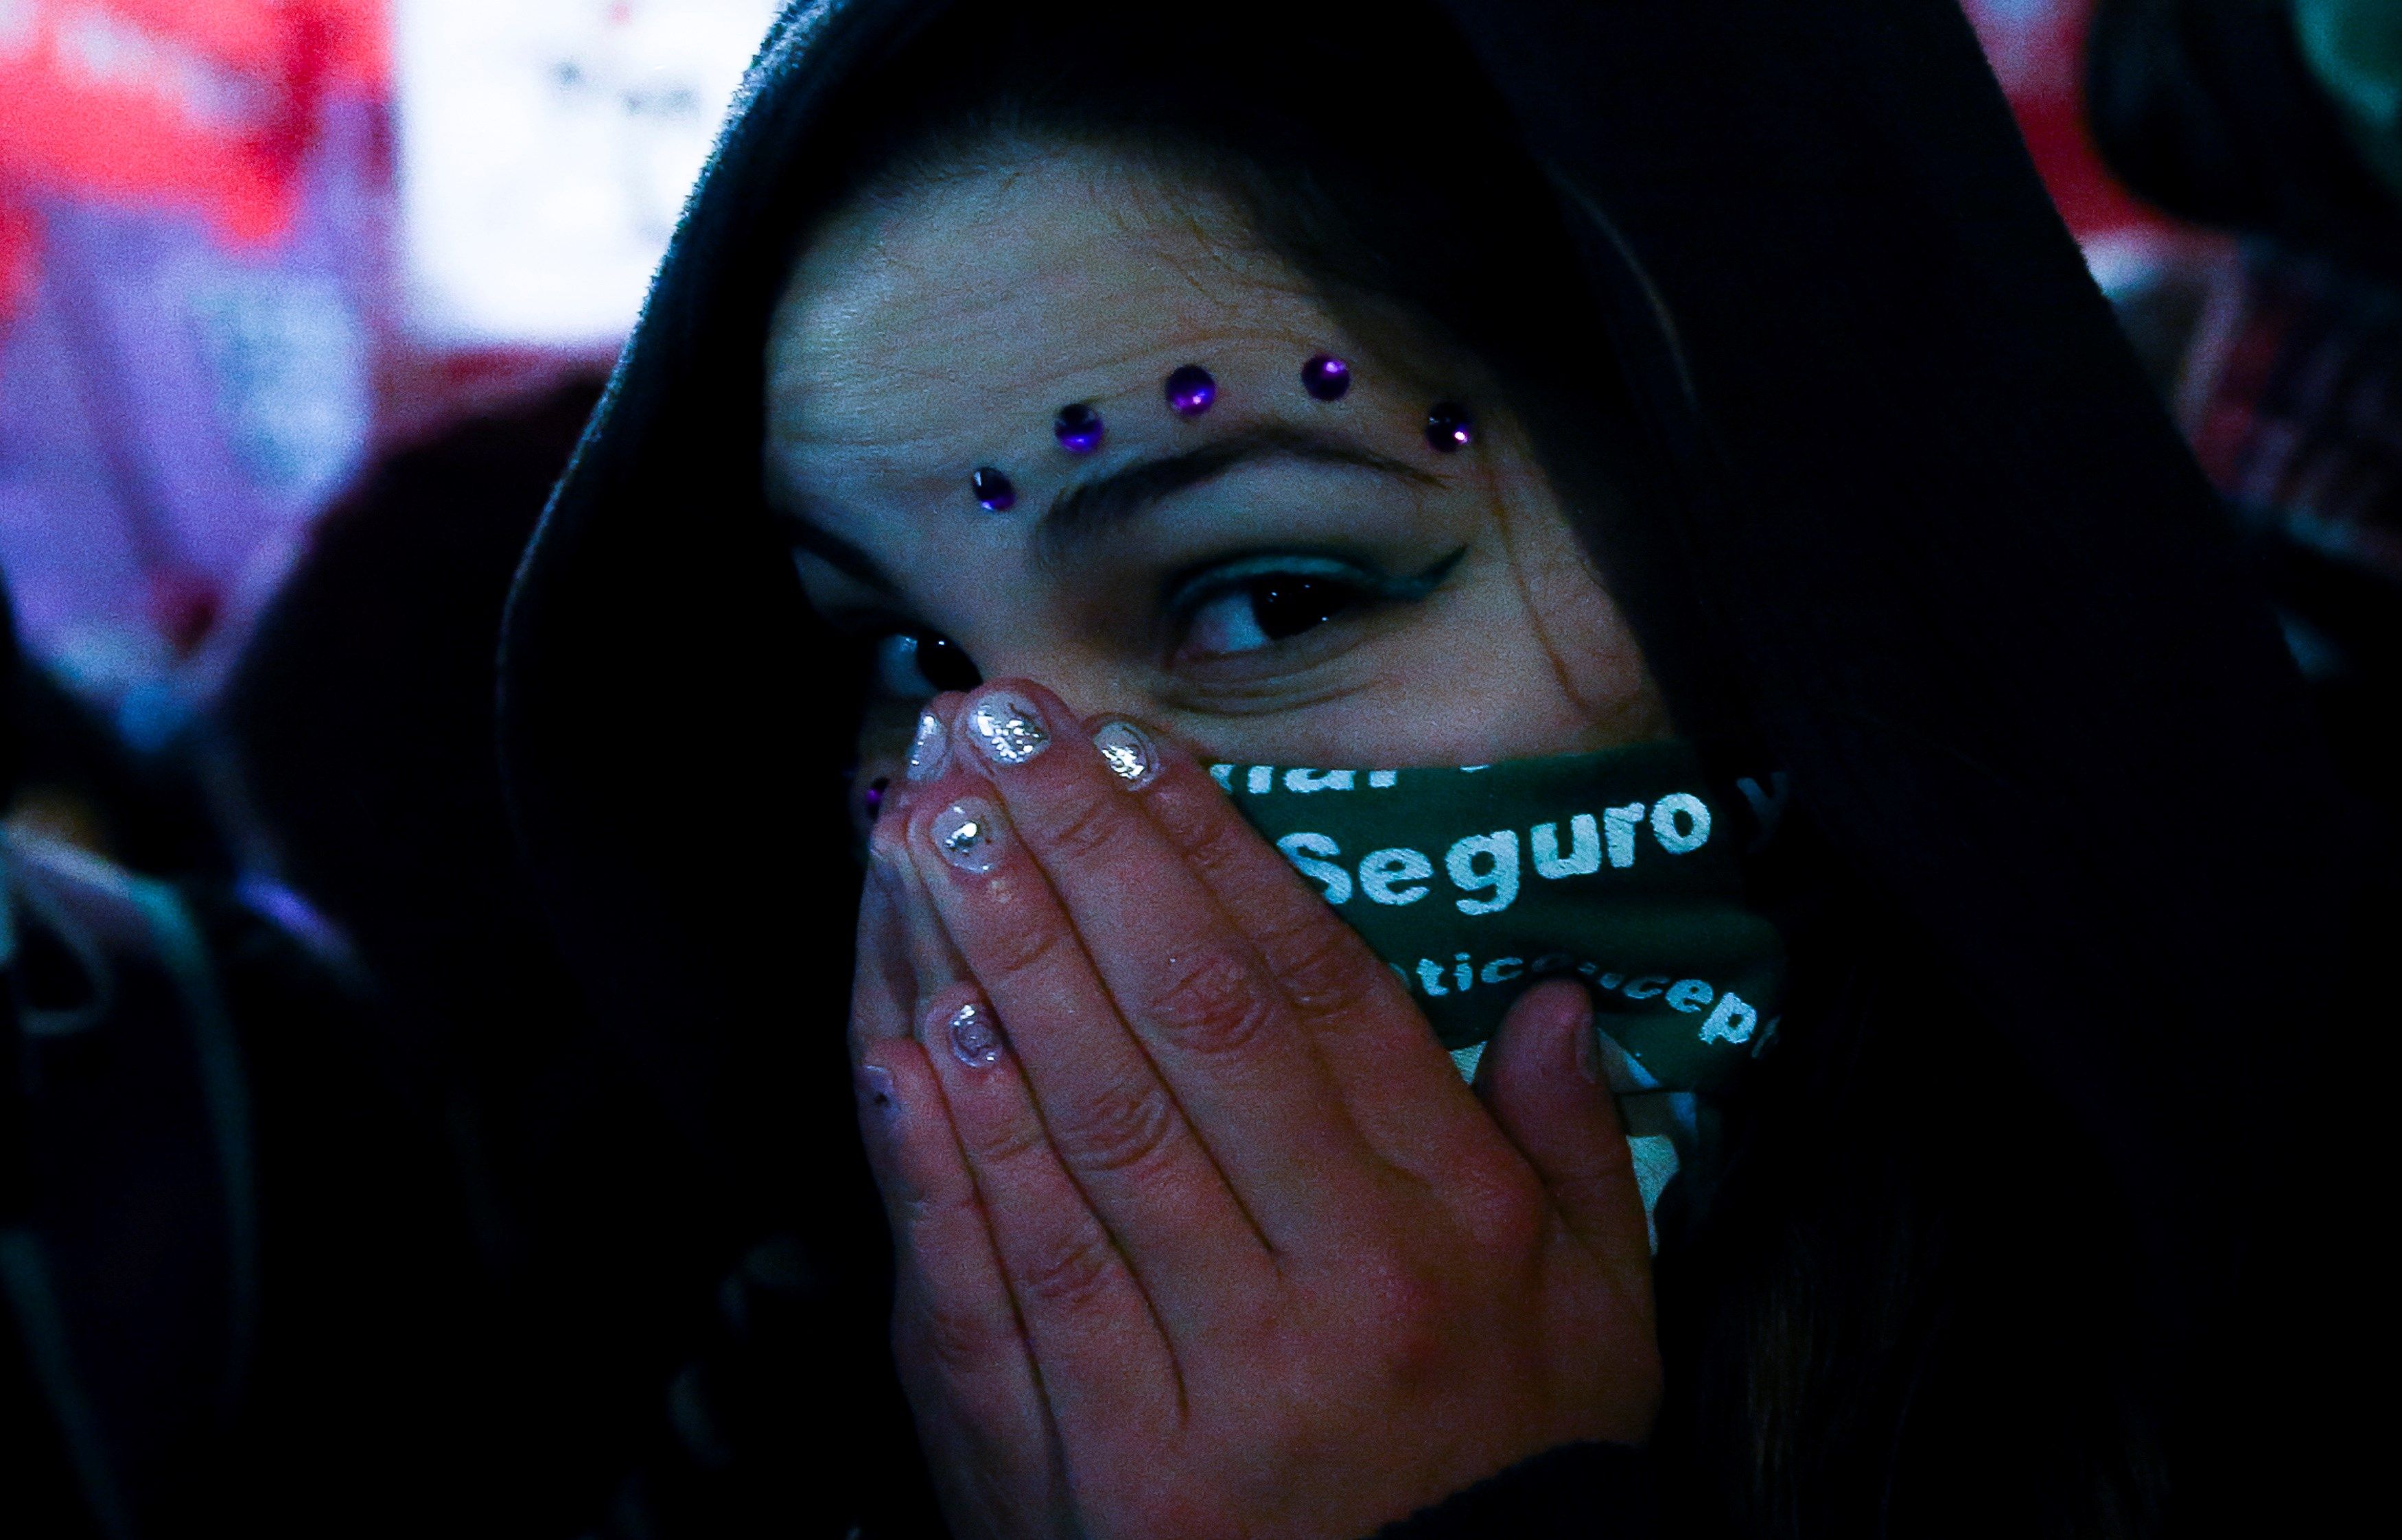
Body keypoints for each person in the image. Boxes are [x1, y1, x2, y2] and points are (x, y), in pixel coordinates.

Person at [500, 2, 2377, 1535]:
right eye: (912, 659)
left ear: (1812, 585)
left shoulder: (2277, 1335)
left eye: (1269, 597)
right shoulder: (810, 1366)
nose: (997, 814)